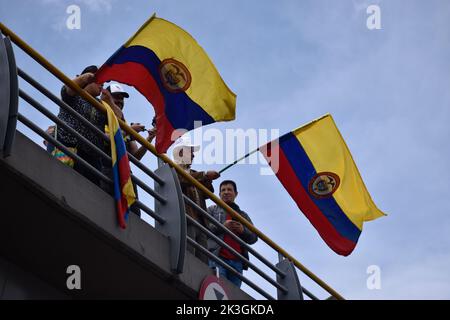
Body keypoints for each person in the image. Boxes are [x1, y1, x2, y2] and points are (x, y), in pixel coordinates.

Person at [57, 65, 109, 186]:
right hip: (70, 151)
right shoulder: (75, 93)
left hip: (93, 160)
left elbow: (119, 119)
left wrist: (110, 101)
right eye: (99, 81)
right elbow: (67, 89)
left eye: (103, 82)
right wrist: (87, 77)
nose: (102, 84)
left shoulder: (102, 106)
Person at [172, 136, 220, 264]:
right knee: (189, 256)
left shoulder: (194, 173)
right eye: (190, 151)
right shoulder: (172, 168)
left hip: (201, 221)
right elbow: (182, 179)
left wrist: (208, 179)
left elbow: (208, 193)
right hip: (187, 218)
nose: (193, 155)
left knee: (202, 261)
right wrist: (204, 175)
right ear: (180, 152)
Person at [207, 180, 257, 288]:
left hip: (237, 263)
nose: (226, 192)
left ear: (236, 194)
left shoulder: (243, 215)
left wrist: (243, 230)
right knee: (219, 291)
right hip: (217, 258)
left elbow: (254, 238)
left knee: (233, 296)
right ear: (219, 194)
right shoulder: (212, 210)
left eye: (229, 189)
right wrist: (222, 227)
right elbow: (204, 228)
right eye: (223, 190)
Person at [101, 83, 156, 160]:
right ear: (106, 97)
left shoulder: (124, 123)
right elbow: (104, 141)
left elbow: (136, 156)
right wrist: (130, 131)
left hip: (122, 168)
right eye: (116, 97)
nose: (120, 101)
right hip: (103, 163)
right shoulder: (100, 112)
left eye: (122, 99)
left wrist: (149, 139)